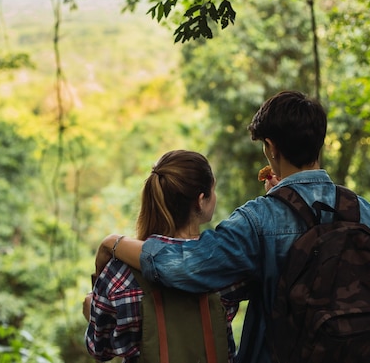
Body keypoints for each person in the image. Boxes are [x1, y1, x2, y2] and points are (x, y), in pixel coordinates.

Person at [92, 91, 370, 363]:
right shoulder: (367, 215)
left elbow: (184, 267)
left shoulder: (258, 220)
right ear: (318, 143)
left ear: (271, 147)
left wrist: (114, 243)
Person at [84, 149, 247, 362]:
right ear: (200, 200)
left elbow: (100, 350)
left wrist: (91, 309)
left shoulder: (119, 273)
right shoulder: (223, 265)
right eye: (213, 190)